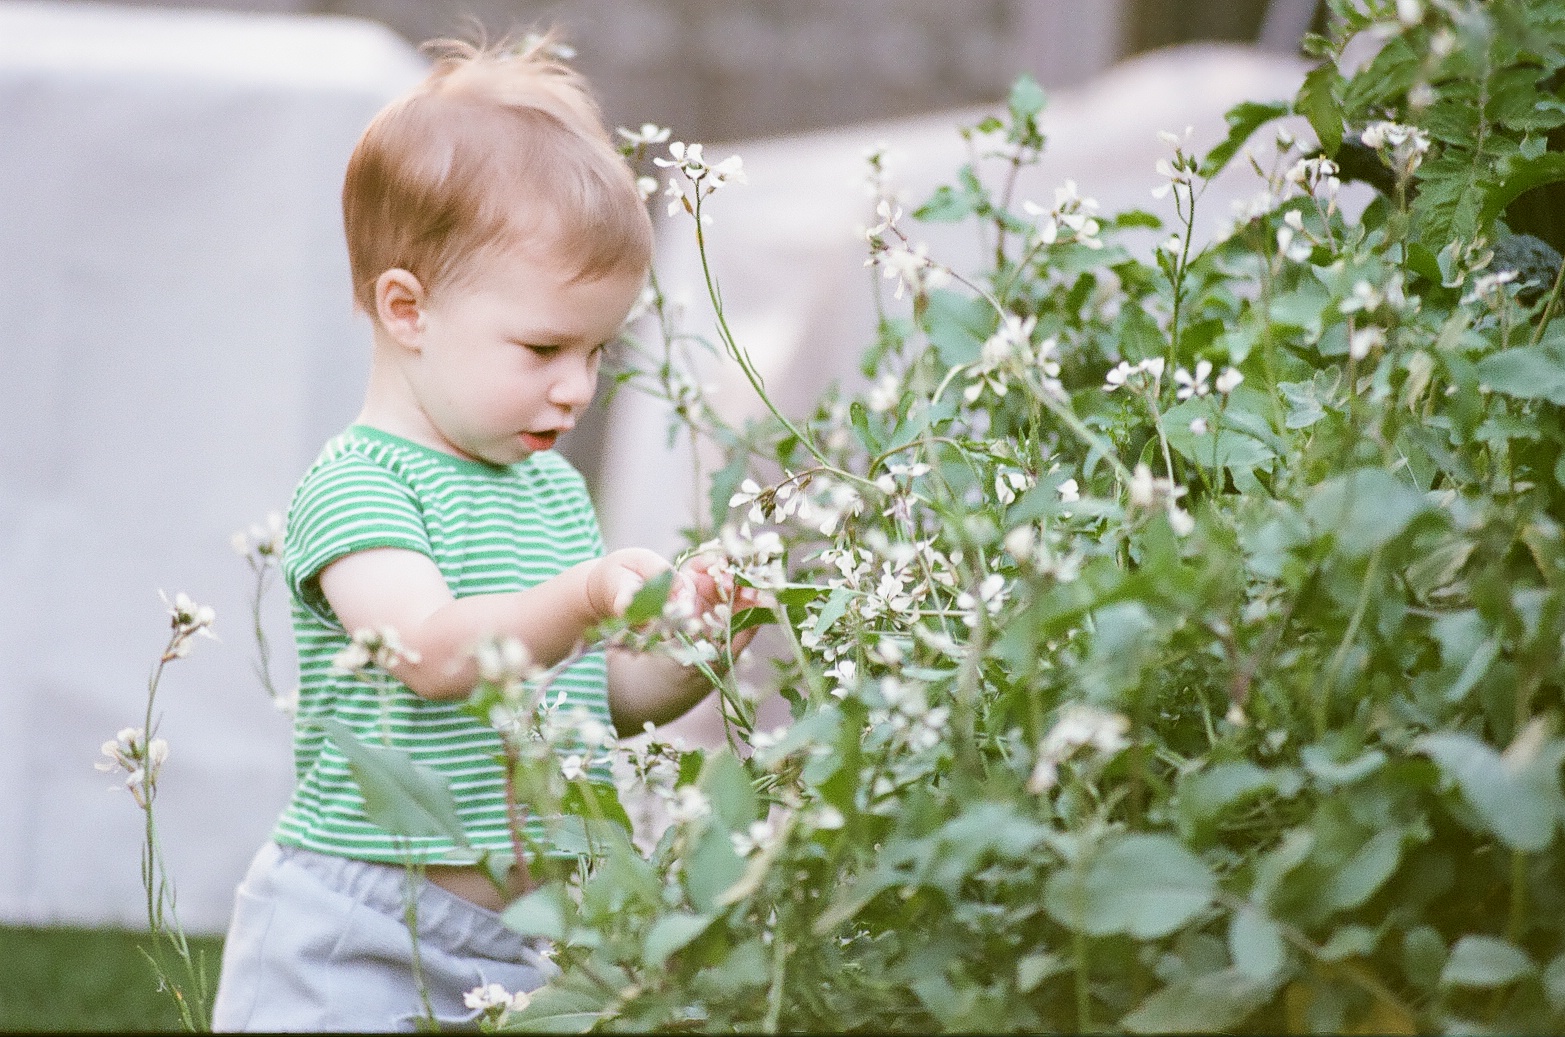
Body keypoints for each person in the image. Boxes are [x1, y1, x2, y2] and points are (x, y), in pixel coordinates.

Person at [211, 35, 755, 1032]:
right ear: (407, 308)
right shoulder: (357, 485)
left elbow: (597, 695)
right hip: (362, 926)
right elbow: (427, 650)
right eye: (543, 346)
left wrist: (687, 657)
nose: (576, 385)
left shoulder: (550, 492)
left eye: (595, 349)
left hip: (533, 938)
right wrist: (587, 594)